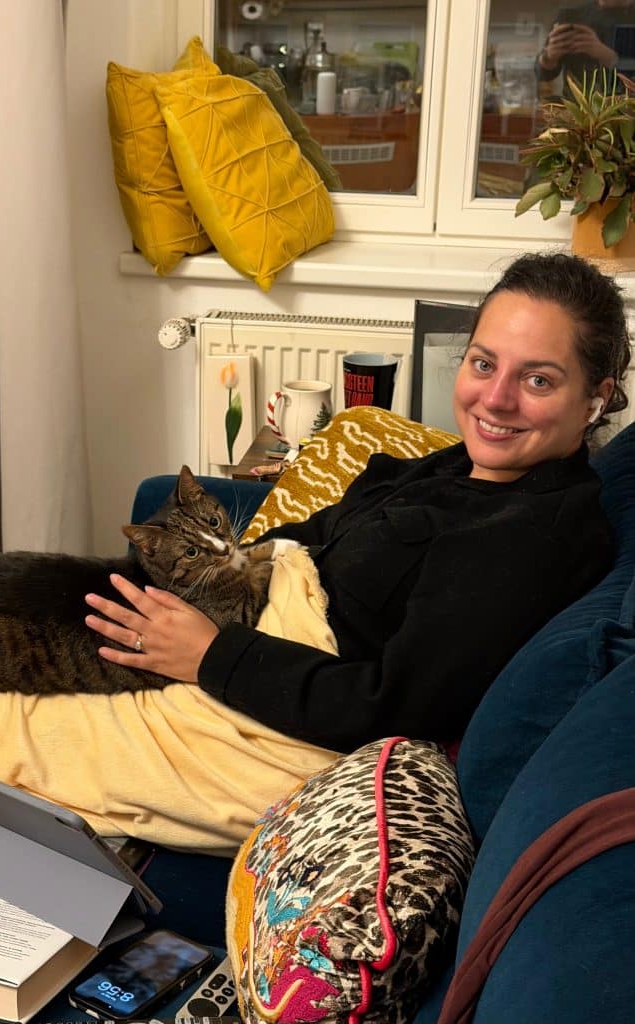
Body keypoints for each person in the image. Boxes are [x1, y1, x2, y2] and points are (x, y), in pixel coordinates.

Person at [86, 251, 631, 753]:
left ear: (595, 399)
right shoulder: (459, 466)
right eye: (484, 364)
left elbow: (389, 707)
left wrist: (210, 654)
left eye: (537, 380)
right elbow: (318, 532)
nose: (494, 399)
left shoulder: (526, 539)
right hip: (239, 644)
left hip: (265, 711)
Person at [535, 1, 635, 86]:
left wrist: (610, 58)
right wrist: (549, 57)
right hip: (576, 106)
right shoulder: (572, 16)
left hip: (627, 106)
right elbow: (542, 74)